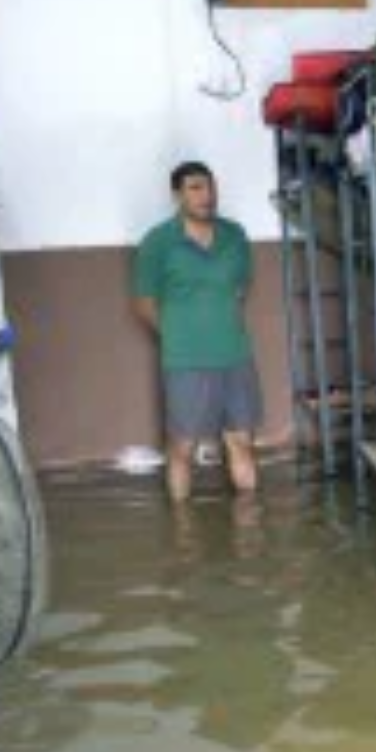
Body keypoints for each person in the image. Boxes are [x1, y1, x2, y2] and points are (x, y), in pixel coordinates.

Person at [133, 162, 262, 502]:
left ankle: (249, 537)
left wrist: (218, 322)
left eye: (209, 187)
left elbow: (241, 287)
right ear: (177, 195)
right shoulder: (158, 241)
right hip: (185, 359)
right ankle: (183, 534)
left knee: (242, 442)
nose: (207, 195)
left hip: (235, 354)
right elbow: (145, 304)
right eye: (195, 188)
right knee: (182, 447)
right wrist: (179, 335)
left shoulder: (234, 235)